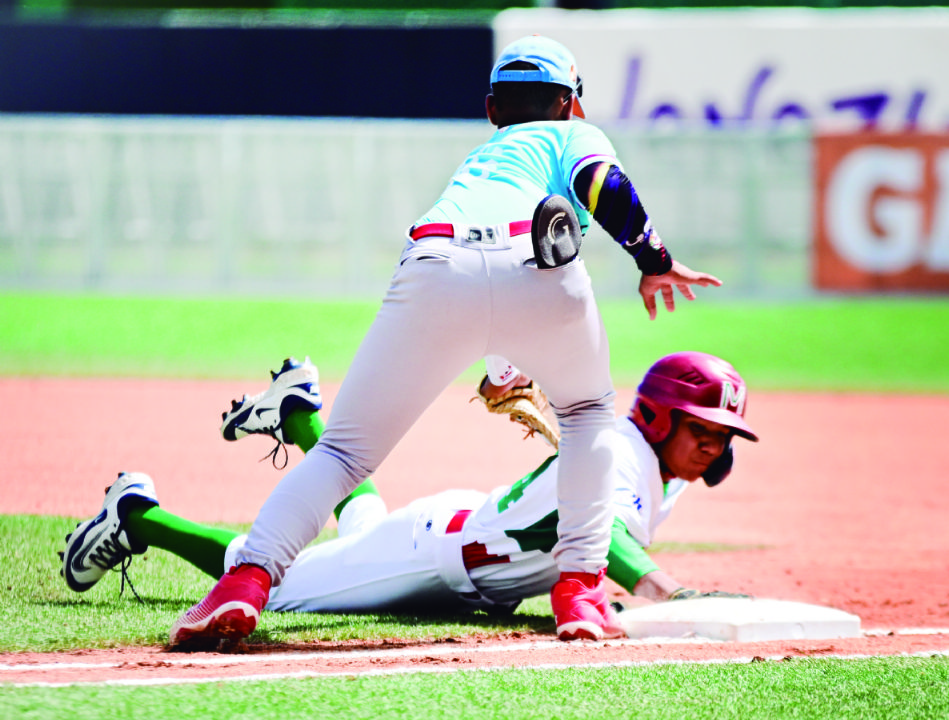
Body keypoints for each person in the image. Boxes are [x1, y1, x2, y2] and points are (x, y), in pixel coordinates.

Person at [164, 35, 723, 646]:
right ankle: (580, 593)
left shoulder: (481, 162)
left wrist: (503, 364)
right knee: (589, 416)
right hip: (541, 264)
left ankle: (247, 580)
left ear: (491, 111)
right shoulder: (568, 135)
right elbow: (602, 186)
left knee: (345, 454)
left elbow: (481, 280)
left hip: (434, 261)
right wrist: (654, 259)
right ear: (571, 104)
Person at [60, 353, 757, 636]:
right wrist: (663, 587)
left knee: (358, 534)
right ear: (662, 417)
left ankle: (301, 414)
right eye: (705, 429)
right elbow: (599, 532)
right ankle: (138, 514)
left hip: (459, 551)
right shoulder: (623, 458)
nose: (715, 446)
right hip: (438, 556)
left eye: (725, 436)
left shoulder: (646, 467)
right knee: (278, 583)